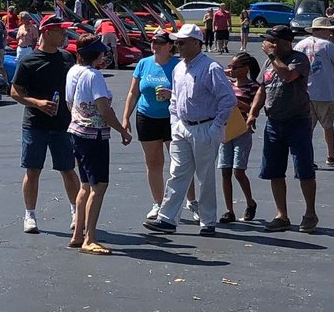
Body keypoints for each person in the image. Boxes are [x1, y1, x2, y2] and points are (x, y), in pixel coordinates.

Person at [153, 24, 235, 236]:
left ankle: (208, 221)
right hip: (182, 126)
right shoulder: (179, 67)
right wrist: (174, 123)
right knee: (177, 172)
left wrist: (216, 127)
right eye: (176, 42)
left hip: (204, 126)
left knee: (205, 175)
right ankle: (167, 218)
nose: (177, 45)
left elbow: (227, 99)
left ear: (196, 43)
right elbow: (174, 99)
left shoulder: (211, 67)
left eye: (181, 42)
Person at [12, 16, 79, 236]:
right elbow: (15, 92)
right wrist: (38, 103)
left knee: (68, 169)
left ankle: (77, 213)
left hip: (63, 124)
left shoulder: (68, 58)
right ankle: (29, 215)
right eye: (60, 32)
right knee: (33, 170)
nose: (64, 36)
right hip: (35, 124)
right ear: (48, 33)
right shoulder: (29, 61)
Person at [248, 24, 318, 233]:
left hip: (297, 122)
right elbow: (263, 87)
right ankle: (282, 215)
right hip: (274, 123)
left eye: (271, 41)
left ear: (283, 43)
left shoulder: (299, 59)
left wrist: (272, 56)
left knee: (304, 170)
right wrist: (253, 112)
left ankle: (310, 213)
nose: (266, 44)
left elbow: (287, 76)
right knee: (274, 171)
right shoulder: (269, 63)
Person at [66, 37, 131, 253]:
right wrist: (122, 130)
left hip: (77, 131)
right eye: (102, 53)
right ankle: (89, 238)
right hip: (94, 135)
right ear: (95, 55)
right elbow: (104, 109)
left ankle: (78, 234)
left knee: (85, 185)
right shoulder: (94, 76)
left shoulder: (74, 71)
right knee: (99, 186)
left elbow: (69, 102)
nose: (105, 57)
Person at [129, 32, 179, 214]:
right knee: (153, 164)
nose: (155, 45)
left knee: (180, 163)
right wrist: (125, 118)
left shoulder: (178, 65)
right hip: (146, 117)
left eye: (159, 42)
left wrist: (171, 94)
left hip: (171, 118)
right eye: (153, 41)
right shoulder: (144, 63)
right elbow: (134, 93)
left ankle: (190, 201)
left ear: (169, 46)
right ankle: (158, 203)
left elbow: (189, 93)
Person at [297, 16, 334, 165]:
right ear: (323, 30)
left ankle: (307, 158)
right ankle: (331, 154)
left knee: (307, 128)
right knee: (328, 125)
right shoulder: (328, 45)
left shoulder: (300, 45)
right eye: (329, 31)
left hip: (305, 92)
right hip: (325, 93)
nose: (330, 34)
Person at [218, 52, 260, 224]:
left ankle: (250, 202)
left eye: (236, 67)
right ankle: (229, 210)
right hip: (226, 129)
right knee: (225, 170)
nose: (232, 70)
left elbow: (252, 108)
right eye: (231, 66)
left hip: (242, 130)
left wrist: (234, 101)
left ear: (246, 69)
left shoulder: (253, 87)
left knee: (238, 170)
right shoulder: (228, 85)